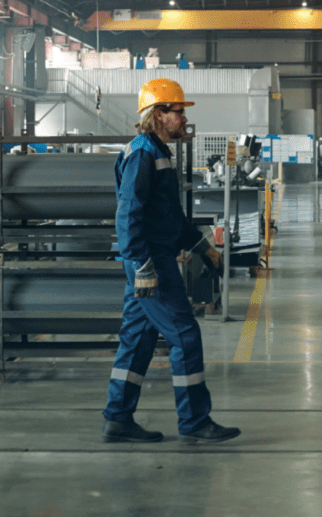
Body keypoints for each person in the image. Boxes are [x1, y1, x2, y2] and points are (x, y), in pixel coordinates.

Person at [102, 78, 240, 444]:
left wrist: (203, 247)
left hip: (153, 257)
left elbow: (169, 218)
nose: (184, 118)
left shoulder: (159, 152)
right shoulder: (144, 153)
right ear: (159, 114)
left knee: (137, 338)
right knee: (185, 335)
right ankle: (195, 420)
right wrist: (141, 263)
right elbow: (128, 211)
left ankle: (117, 418)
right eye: (179, 111)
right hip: (151, 262)